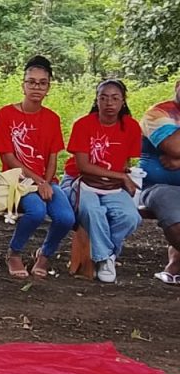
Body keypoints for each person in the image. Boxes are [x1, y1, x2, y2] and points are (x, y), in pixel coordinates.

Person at [0, 55, 74, 279]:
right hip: (16, 180)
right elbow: (8, 157)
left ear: (48, 87)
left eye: (42, 83)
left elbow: (53, 156)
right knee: (36, 211)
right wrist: (38, 182)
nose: (36, 87)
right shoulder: (6, 114)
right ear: (23, 85)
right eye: (31, 82)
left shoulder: (52, 118)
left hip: (45, 181)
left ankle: (44, 255)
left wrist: (45, 182)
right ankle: (14, 253)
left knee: (66, 218)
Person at [59, 79, 142, 283]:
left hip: (110, 185)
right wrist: (121, 176)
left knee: (131, 217)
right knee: (93, 211)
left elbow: (124, 162)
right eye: (103, 98)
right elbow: (83, 166)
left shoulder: (131, 126)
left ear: (123, 101)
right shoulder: (84, 124)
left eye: (115, 98)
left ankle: (107, 254)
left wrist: (123, 176)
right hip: (80, 181)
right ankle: (104, 259)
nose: (109, 103)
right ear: (96, 101)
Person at [138, 77, 180, 284]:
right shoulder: (158, 113)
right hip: (159, 186)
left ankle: (174, 267)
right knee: (172, 209)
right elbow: (174, 147)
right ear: (178, 86)